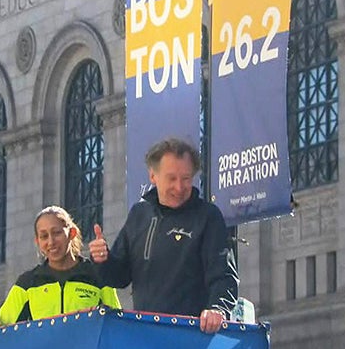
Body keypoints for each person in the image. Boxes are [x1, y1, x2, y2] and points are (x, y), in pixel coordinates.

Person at [89, 137, 238, 334]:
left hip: (191, 334)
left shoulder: (207, 217)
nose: (179, 187)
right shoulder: (138, 215)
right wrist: (102, 259)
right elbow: (119, 276)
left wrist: (218, 310)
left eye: (186, 179)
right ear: (153, 176)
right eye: (171, 178)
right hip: (146, 336)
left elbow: (223, 274)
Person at [0, 205, 121, 325]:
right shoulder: (27, 283)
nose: (51, 242)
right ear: (38, 242)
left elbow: (117, 324)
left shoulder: (98, 276)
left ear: (71, 233)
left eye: (56, 233)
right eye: (44, 236)